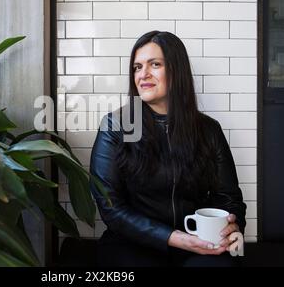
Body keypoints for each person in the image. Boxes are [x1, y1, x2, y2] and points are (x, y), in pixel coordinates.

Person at [89, 31, 246, 267]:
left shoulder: (208, 130)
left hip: (198, 242)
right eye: (137, 67)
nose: (143, 75)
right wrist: (173, 238)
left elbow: (228, 198)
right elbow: (111, 208)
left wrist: (233, 225)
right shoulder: (115, 127)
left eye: (155, 65)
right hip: (133, 243)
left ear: (176, 70)